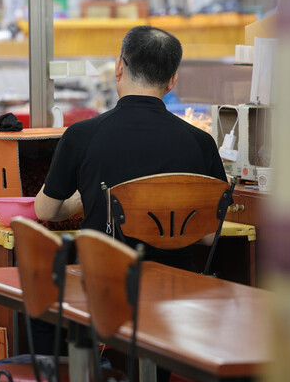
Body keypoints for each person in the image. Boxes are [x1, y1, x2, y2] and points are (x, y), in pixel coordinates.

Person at [35, 25, 227, 270]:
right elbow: (210, 235)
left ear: (118, 68)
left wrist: (84, 201)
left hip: (101, 285)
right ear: (172, 81)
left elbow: (45, 210)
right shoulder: (201, 142)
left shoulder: (81, 135)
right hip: (177, 289)